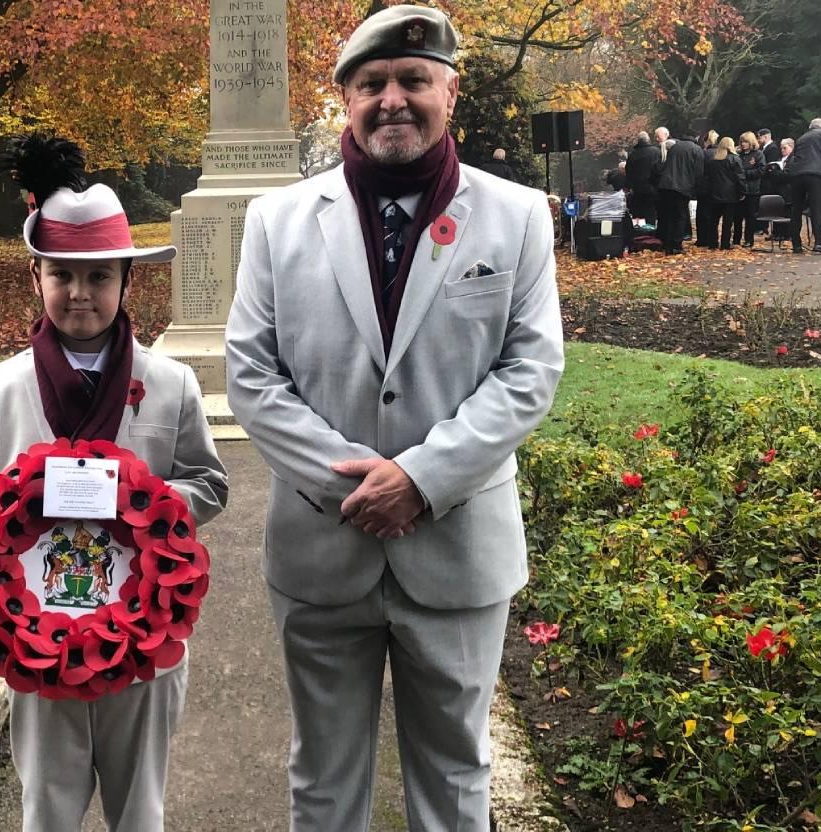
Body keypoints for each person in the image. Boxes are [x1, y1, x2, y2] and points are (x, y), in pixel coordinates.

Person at [225, 7, 563, 829]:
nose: (393, 99)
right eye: (371, 82)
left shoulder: (518, 216)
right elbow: (252, 372)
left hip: (457, 551)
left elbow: (530, 370)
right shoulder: (276, 222)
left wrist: (419, 478)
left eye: (414, 79)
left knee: (455, 777)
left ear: (451, 91)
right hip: (320, 549)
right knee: (323, 778)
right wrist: (350, 484)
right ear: (345, 97)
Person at [0, 135, 227, 831]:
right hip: (38, 641)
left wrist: (150, 502)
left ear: (128, 281)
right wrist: (14, 497)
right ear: (35, 278)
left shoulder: (169, 384)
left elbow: (208, 481)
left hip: (144, 640)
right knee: (48, 806)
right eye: (63, 276)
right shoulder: (4, 386)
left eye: (99, 276)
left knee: (140, 809)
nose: (80, 293)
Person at [785, 118, 821, 254]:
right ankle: (819, 244)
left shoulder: (801, 138)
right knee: (817, 208)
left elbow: (791, 159)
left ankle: (796, 244)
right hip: (816, 174)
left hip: (797, 175)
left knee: (796, 210)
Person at [656, 128, 707, 255]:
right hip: (683, 187)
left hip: (666, 185)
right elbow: (699, 172)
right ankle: (676, 244)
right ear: (696, 138)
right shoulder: (697, 150)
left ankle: (667, 244)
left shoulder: (674, 147)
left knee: (669, 215)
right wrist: (696, 188)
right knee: (680, 216)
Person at [698, 136, 745, 249]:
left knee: (713, 220)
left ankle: (712, 242)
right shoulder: (735, 159)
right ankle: (725, 243)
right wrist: (742, 191)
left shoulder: (713, 160)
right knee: (727, 221)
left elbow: (708, 177)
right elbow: (740, 178)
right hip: (730, 194)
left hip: (714, 193)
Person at [731, 131, 766, 247]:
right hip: (739, 190)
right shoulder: (738, 154)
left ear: (751, 142)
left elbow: (761, 171)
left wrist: (745, 174)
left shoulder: (758, 154)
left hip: (752, 190)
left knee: (750, 216)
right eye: (741, 142)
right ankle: (736, 239)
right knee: (737, 216)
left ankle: (749, 240)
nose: (743, 144)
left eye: (745, 141)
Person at [626, 131, 662, 225]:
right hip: (652, 187)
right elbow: (659, 169)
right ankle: (651, 231)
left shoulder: (633, 154)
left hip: (638, 188)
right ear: (648, 140)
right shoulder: (656, 151)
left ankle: (639, 233)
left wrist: (630, 186)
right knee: (651, 211)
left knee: (638, 212)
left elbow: (628, 172)